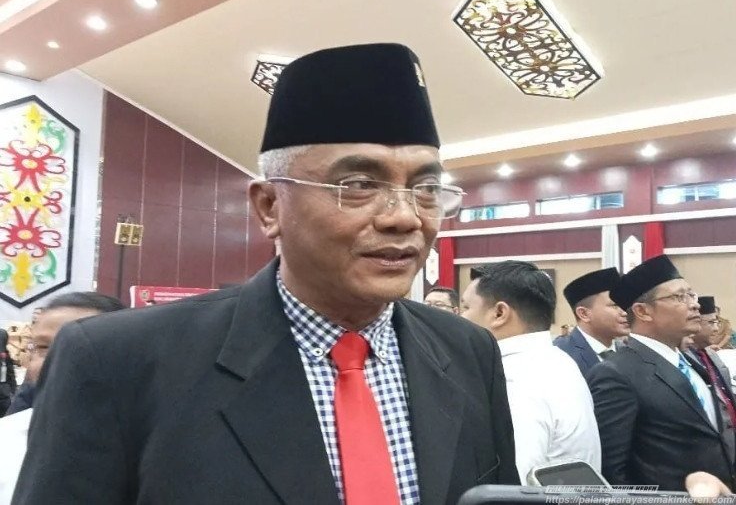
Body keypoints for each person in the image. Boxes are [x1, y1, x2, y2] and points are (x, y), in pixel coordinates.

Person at [13, 43, 518, 505]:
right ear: (270, 206)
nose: (405, 218)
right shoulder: (117, 362)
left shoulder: (466, 350)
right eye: (359, 184)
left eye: (426, 189)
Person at [587, 255, 736, 491]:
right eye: (679, 297)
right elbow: (613, 472)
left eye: (691, 294)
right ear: (643, 311)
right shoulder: (616, 374)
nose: (695, 304)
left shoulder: (691, 361)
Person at [461, 260, 600, 482]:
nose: (459, 318)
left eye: (466, 308)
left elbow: (515, 481)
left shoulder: (516, 379)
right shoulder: (556, 360)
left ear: (499, 313)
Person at [0, 291, 124, 504]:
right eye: (43, 347)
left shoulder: (156, 448)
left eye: (81, 347)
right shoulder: (6, 438)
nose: (56, 360)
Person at [554, 268, 629, 376]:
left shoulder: (627, 352)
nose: (625, 312)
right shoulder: (561, 355)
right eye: (615, 305)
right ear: (584, 314)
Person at [685, 297, 736, 443]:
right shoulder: (683, 359)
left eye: (717, 322)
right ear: (694, 322)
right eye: (711, 323)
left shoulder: (712, 354)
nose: (716, 329)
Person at [0, 329, 17, 417]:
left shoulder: (6, 355)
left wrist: (14, 391)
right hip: (4, 392)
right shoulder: (5, 355)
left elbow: (11, 374)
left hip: (4, 394)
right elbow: (11, 374)